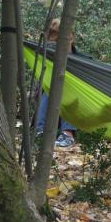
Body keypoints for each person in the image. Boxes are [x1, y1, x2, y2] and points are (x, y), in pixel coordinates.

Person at [36, 19, 77, 147]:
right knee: (51, 90)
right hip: (49, 98)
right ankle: (40, 132)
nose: (59, 44)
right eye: (55, 40)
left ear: (72, 38)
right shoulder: (47, 55)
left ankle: (67, 134)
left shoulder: (81, 60)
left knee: (67, 90)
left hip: (73, 98)